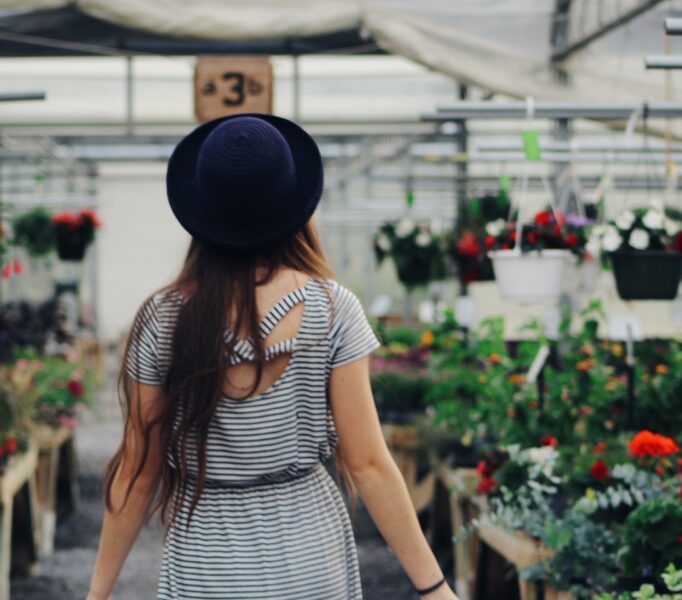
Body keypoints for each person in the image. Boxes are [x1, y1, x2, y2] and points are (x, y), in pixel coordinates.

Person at [87, 114, 456, 600]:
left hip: (205, 560)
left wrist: (98, 592)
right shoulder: (332, 309)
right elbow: (367, 463)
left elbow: (139, 471)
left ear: (202, 208)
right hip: (309, 555)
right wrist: (432, 588)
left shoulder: (164, 318)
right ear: (293, 206)